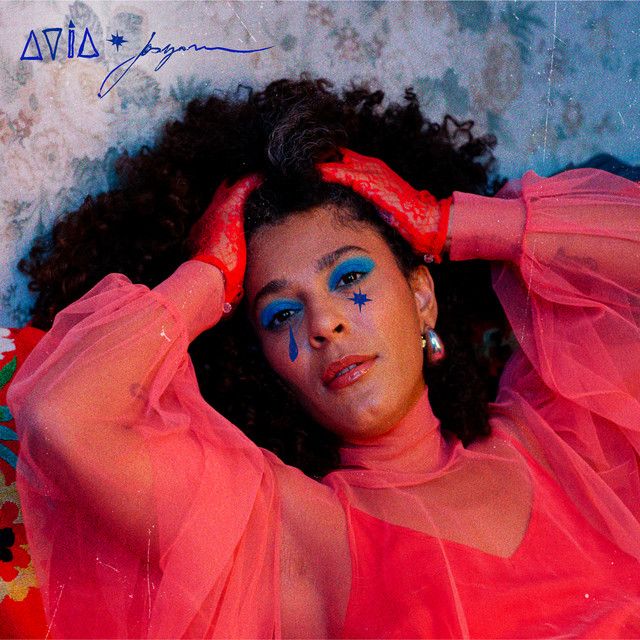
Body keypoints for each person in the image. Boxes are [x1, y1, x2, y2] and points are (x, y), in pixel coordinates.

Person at [6, 77, 640, 638]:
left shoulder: (563, 435)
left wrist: (445, 222)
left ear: (422, 297)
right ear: (266, 368)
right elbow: (61, 414)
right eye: (281, 313)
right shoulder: (290, 531)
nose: (324, 324)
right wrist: (210, 274)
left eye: (350, 277)